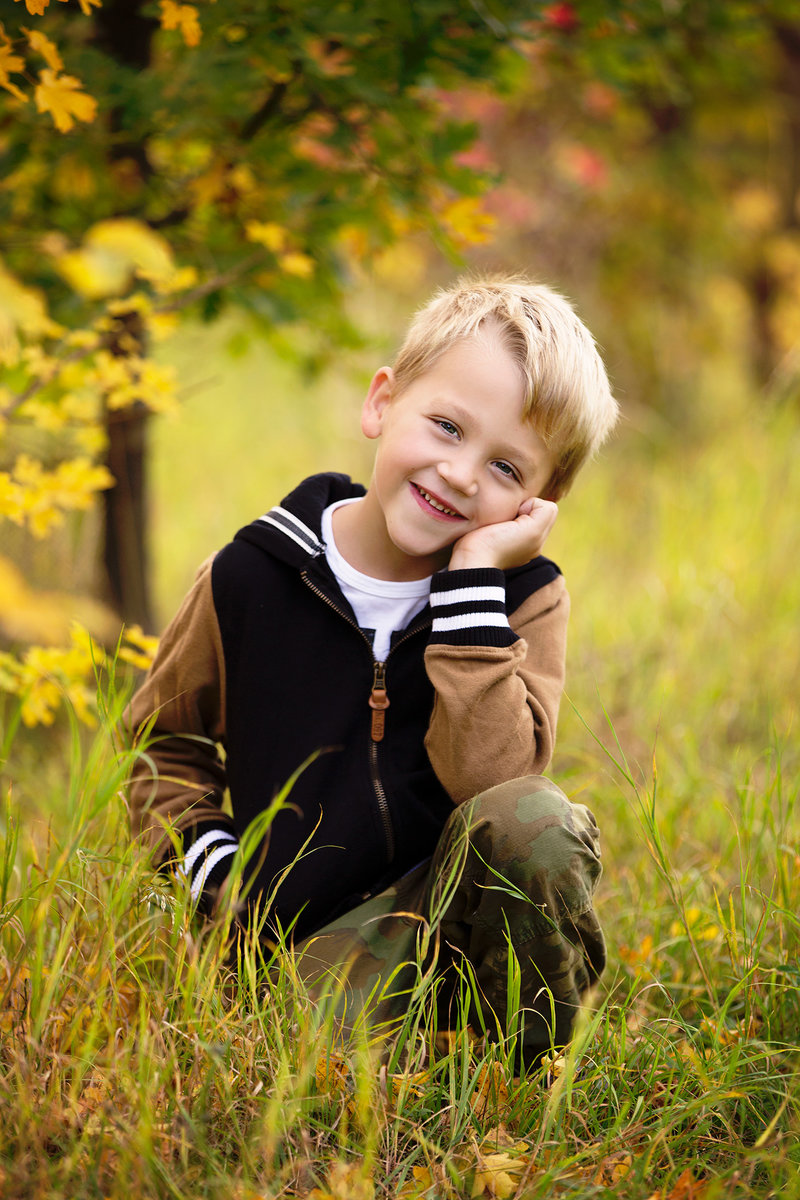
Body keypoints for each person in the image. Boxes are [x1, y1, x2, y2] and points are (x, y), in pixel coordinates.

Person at [127, 275, 619, 1063]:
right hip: (307, 944)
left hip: (460, 922)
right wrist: (218, 878)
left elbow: (495, 782)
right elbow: (164, 746)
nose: (461, 474)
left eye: (506, 469)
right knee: (318, 1067)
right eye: (447, 427)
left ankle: (526, 1068)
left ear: (539, 504)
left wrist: (472, 585)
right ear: (382, 403)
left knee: (537, 820)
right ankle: (390, 1047)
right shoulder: (250, 576)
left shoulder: (523, 599)